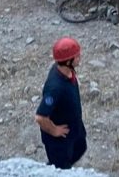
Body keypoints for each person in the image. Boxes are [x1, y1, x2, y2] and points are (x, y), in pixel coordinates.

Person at [35, 37, 88, 169]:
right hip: (60, 142)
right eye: (76, 56)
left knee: (81, 147)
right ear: (68, 61)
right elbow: (40, 117)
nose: (79, 57)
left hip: (73, 129)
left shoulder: (66, 71)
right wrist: (54, 130)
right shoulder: (55, 88)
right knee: (61, 166)